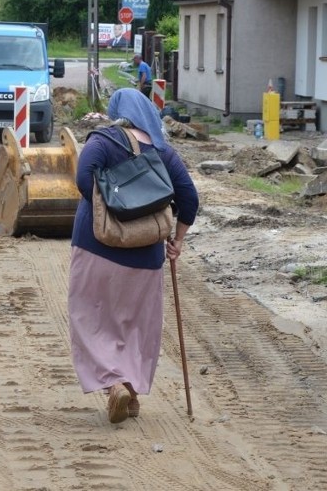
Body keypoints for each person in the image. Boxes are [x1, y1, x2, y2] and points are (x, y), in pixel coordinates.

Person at [67, 88, 199, 424]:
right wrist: (177, 240)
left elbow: (84, 179)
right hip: (145, 255)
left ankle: (113, 385)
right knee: (136, 325)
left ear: (117, 112)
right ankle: (132, 391)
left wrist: (113, 206)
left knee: (92, 318)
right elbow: (189, 199)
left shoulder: (102, 140)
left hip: (96, 246)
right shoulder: (163, 152)